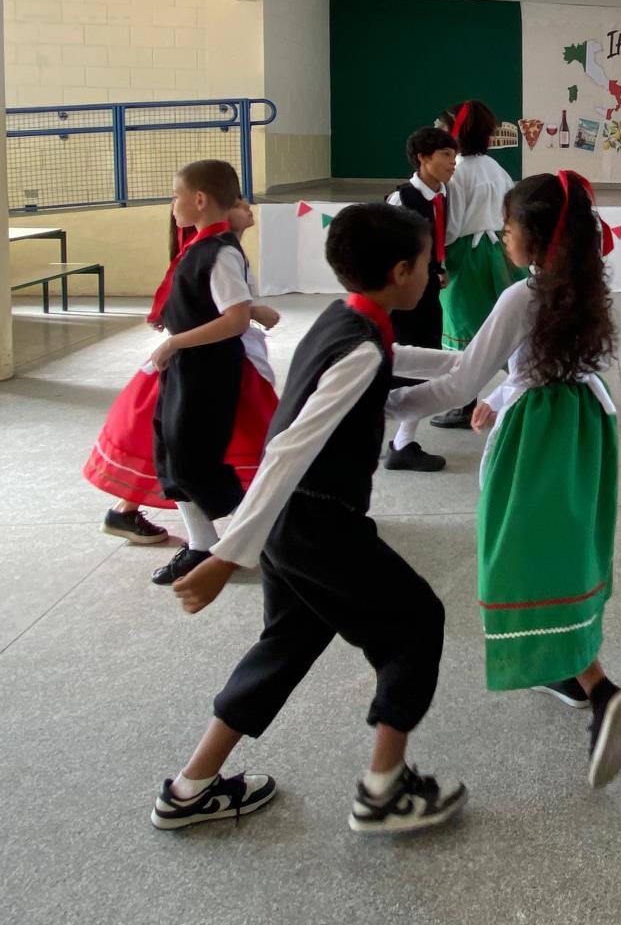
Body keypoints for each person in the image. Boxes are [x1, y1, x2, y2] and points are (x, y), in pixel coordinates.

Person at [152, 202, 468, 835]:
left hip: (290, 526)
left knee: (290, 641)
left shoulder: (346, 318)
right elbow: (289, 450)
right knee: (415, 623)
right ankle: (383, 790)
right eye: (426, 264)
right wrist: (225, 556)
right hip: (315, 521)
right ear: (401, 272)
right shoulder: (360, 350)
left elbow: (394, 357)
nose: (431, 273)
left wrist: (476, 364)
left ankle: (190, 787)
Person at [386, 171, 621, 789]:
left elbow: (459, 381)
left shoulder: (522, 295)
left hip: (536, 435)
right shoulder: (582, 284)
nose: (501, 238)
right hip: (579, 425)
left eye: (508, 228)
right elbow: (518, 362)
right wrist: (486, 391)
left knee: (519, 558)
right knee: (561, 548)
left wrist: (382, 404)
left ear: (537, 236)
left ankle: (600, 689)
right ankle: (567, 668)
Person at [86, 198, 280, 546]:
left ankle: (135, 511)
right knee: (184, 444)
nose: (248, 207)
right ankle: (239, 526)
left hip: (209, 362)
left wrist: (250, 311)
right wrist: (251, 312)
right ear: (213, 208)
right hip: (202, 365)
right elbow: (225, 312)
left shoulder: (219, 251)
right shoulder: (213, 253)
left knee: (179, 444)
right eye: (238, 203)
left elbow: (223, 304)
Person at [146, 161, 281, 587]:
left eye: (177, 196)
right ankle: (201, 543)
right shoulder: (199, 246)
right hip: (186, 367)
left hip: (208, 369)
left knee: (196, 461)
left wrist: (175, 343)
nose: (173, 205)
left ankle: (260, 537)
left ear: (200, 200)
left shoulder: (220, 252)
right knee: (171, 454)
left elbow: (234, 320)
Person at [432, 100, 528, 430]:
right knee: (505, 325)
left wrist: (439, 257)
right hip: (500, 253)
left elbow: (452, 226)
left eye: (444, 126)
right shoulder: (496, 169)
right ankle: (524, 386)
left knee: (465, 330)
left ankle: (465, 404)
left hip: (467, 258)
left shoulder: (456, 173)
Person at [382, 125, 459, 472]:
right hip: (402, 296)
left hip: (426, 290)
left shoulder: (441, 194)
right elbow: (388, 251)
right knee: (399, 363)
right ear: (423, 158)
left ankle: (403, 441)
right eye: (446, 155)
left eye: (454, 155)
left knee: (424, 361)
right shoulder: (402, 200)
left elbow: (432, 241)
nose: (453, 162)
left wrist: (436, 268)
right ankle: (389, 438)